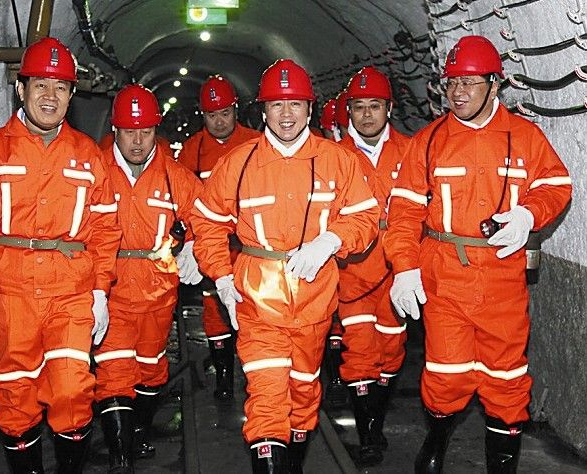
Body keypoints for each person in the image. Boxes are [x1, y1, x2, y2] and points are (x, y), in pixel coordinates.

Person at [0, 37, 121, 473]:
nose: (50, 96)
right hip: (8, 297)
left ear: (72, 95)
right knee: (17, 397)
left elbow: (106, 230)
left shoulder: (88, 156)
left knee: (72, 390)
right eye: (40, 85)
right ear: (21, 88)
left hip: (70, 294)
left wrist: (100, 291)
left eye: (61, 87)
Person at [383, 35, 572, 473]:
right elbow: (404, 211)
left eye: (468, 82)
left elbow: (556, 184)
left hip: (502, 278)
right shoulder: (429, 141)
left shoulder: (524, 136)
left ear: (494, 84)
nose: (458, 92)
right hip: (444, 276)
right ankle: (436, 439)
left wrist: (528, 213)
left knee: (506, 378)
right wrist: (405, 269)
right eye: (451, 82)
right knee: (445, 373)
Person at [190, 58, 380, 473]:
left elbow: (365, 217)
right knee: (267, 398)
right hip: (258, 303)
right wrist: (222, 277)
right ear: (263, 111)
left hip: (315, 303)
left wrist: (330, 241)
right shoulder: (238, 164)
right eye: (277, 105)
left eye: (295, 104)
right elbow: (206, 221)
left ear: (310, 109)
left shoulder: (338, 161)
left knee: (303, 396)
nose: (287, 114)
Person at [93, 84, 203, 471]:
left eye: (145, 132)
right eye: (129, 132)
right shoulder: (94, 170)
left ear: (156, 130)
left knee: (151, 369)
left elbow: (207, 216)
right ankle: (120, 458)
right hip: (110, 287)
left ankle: (138, 429)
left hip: (158, 290)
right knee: (113, 370)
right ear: (115, 129)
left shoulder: (174, 176)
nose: (137, 141)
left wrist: (194, 247)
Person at [335, 66, 410, 466]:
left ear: (389, 109)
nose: (367, 115)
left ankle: (375, 421)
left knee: (391, 349)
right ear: (349, 111)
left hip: (399, 271)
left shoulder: (410, 152)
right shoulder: (333, 156)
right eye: (359, 106)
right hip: (354, 271)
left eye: (375, 106)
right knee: (360, 351)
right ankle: (367, 435)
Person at [178, 75, 260, 400]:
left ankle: (257, 377)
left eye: (225, 113)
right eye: (212, 115)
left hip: (252, 246)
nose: (220, 121)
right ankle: (224, 377)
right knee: (214, 310)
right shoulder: (193, 150)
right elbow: (185, 199)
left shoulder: (256, 143)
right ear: (203, 115)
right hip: (214, 245)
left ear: (235, 110)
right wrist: (190, 240)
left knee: (256, 310)